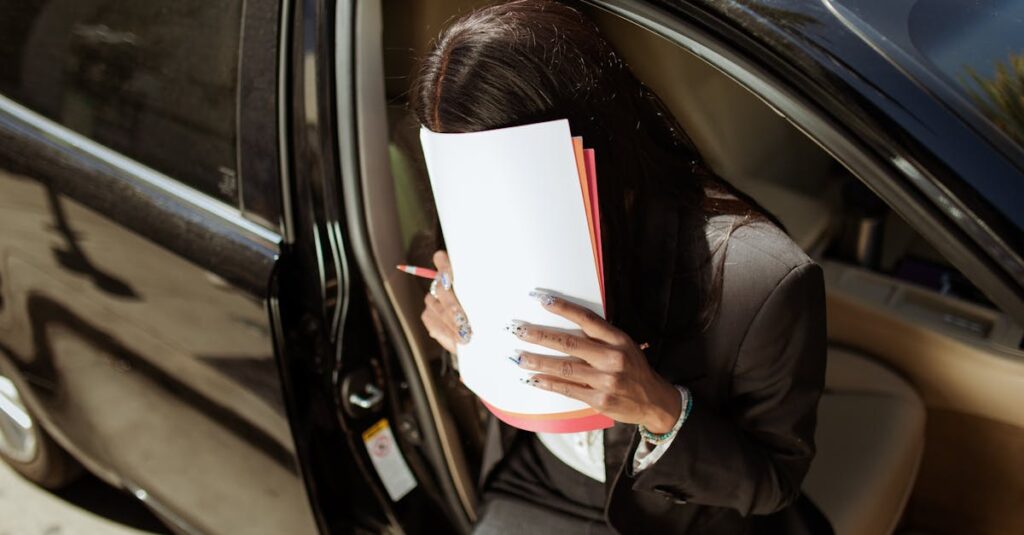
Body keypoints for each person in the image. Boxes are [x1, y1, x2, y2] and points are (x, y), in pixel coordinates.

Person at [412, 1, 832, 533]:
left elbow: (775, 480)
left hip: (679, 512)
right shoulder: (472, 212)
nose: (488, 212)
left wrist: (660, 408)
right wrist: (465, 340)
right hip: (537, 478)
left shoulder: (761, 280)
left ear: (591, 142)